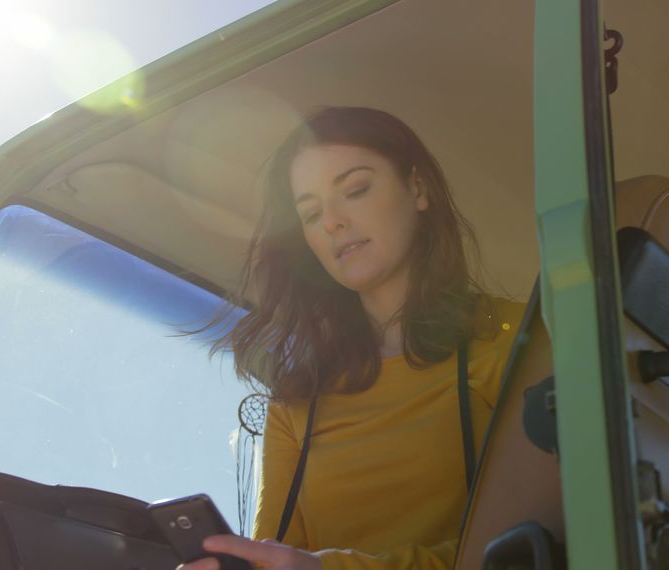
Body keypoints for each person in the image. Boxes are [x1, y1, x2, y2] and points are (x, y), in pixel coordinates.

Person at [180, 107, 526, 570]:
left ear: (418, 189)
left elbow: (543, 546)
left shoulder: (517, 339)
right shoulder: (295, 401)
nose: (332, 222)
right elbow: (273, 557)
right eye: (310, 212)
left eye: (356, 190)